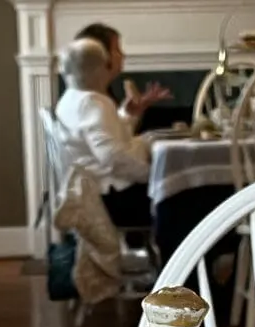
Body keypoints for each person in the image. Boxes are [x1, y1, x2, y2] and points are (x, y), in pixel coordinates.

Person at [55, 38, 152, 229]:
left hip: (90, 190)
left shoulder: (70, 99)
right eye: (106, 64)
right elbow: (112, 157)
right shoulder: (94, 102)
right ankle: (183, 254)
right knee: (181, 195)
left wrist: (127, 115)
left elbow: (109, 138)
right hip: (108, 197)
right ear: (98, 70)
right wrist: (152, 175)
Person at [74, 23, 171, 124]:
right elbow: (113, 137)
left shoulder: (100, 93)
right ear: (102, 56)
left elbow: (115, 132)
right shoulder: (91, 102)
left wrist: (130, 112)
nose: (123, 55)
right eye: (117, 49)